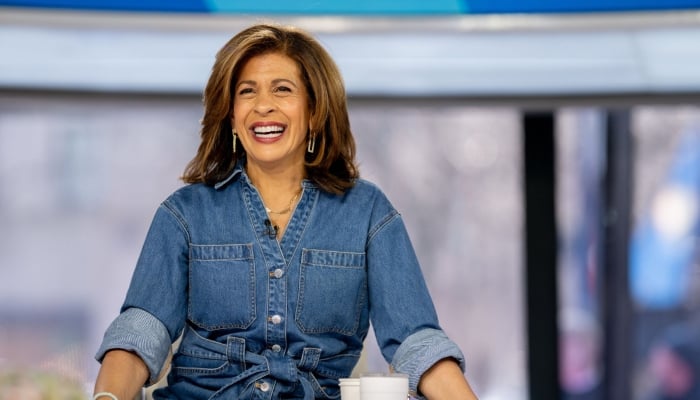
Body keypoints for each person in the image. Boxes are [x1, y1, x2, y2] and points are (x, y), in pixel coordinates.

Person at [93, 23, 479, 400]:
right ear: (231, 116)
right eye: (247, 91)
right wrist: (108, 397)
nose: (263, 105)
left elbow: (416, 340)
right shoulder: (184, 214)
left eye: (282, 89)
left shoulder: (368, 213)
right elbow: (141, 331)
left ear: (314, 111)